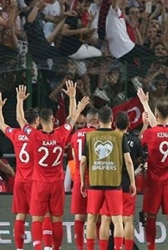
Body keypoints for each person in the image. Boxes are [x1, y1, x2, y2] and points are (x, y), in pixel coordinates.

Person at [25, 81, 88, 250]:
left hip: (39, 183)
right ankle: (56, 248)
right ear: (53, 119)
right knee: (56, 218)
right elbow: (72, 119)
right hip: (56, 183)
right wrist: (74, 98)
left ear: (39, 120)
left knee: (37, 218)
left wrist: (19, 100)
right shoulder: (61, 134)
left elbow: (20, 120)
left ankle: (39, 247)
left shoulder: (34, 135)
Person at [80, 106, 136, 250]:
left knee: (92, 219)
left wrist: (82, 181)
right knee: (117, 220)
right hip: (113, 184)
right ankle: (118, 248)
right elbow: (128, 161)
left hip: (95, 183)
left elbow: (83, 161)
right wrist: (133, 182)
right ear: (112, 120)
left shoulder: (90, 136)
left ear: (98, 120)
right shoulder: (119, 136)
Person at [137, 90, 168, 250]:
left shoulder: (150, 133)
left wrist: (144, 103)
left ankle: (151, 248)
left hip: (153, 181)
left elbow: (141, 142)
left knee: (151, 217)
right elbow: (161, 129)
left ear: (156, 115)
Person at [0, 86, 38, 250]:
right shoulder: (37, 136)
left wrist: (0, 108)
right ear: (36, 121)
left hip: (20, 180)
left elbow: (0, 124)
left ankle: (19, 248)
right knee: (37, 216)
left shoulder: (15, 134)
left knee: (21, 215)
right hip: (35, 181)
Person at [69, 107, 99, 250]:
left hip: (79, 180)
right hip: (95, 180)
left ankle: (80, 247)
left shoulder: (75, 136)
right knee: (96, 217)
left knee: (79, 218)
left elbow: (76, 158)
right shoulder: (98, 135)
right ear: (96, 121)